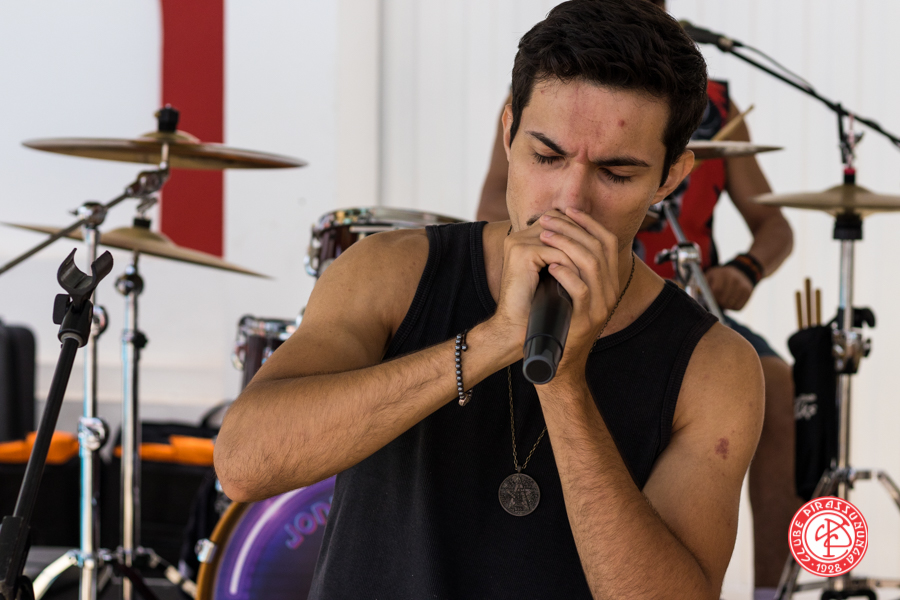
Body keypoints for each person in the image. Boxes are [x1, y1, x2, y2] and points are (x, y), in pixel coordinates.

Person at [215, 1, 764, 598]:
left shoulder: (712, 367)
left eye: (616, 173)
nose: (569, 201)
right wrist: (493, 341)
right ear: (508, 132)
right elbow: (243, 465)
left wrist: (564, 384)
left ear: (670, 177)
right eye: (546, 156)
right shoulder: (389, 272)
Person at [476, 3, 799, 598]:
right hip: (555, 285)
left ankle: (771, 592)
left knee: (777, 385)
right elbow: (491, 205)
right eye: (548, 156)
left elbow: (775, 226)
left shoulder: (717, 111)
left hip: (683, 305)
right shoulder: (551, 88)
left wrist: (746, 270)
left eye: (618, 172)